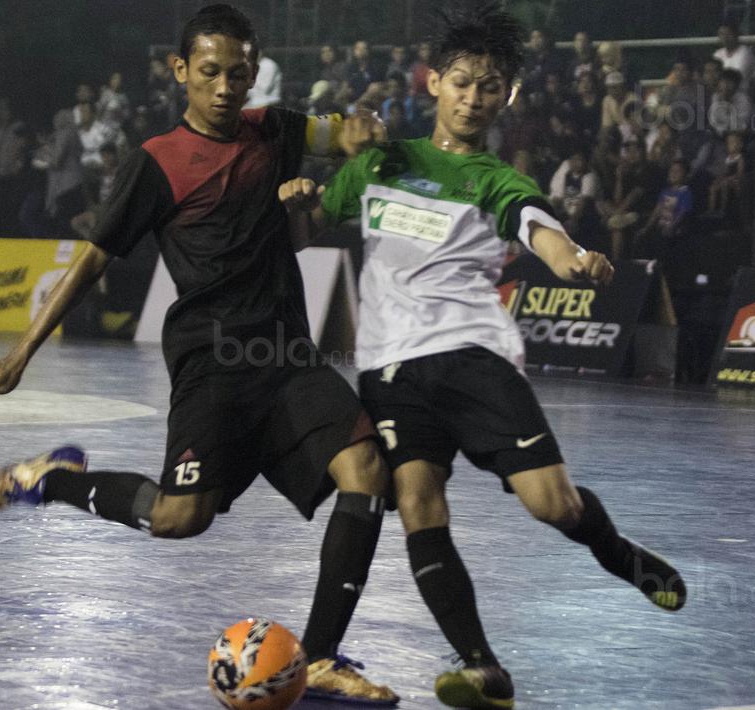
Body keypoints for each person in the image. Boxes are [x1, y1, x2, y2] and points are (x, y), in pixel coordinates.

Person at [0, 5, 398, 705]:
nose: (226, 88)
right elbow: (89, 263)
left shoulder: (277, 131)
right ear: (181, 71)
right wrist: (18, 355)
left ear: (254, 74)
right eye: (211, 72)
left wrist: (362, 128)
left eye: (239, 74)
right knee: (177, 518)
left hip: (287, 357)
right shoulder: (156, 164)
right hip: (212, 363)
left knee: (367, 467)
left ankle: (319, 659)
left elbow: (341, 131)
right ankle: (51, 480)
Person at [278, 4, 687, 707]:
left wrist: (575, 261)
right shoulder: (380, 161)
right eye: (462, 82)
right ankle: (481, 667)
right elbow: (309, 226)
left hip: (472, 358)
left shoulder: (497, 179)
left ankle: (618, 554)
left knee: (549, 504)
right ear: (433, 82)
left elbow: (540, 232)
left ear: (508, 97)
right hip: (388, 370)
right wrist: (297, 195)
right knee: (415, 502)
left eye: (489, 87)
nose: (473, 98)